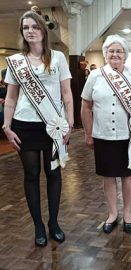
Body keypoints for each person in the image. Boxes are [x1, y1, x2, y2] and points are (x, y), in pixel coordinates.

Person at [3, 10, 73, 247]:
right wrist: (7, 127)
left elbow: (66, 94)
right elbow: (11, 99)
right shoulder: (16, 63)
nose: (30, 31)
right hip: (24, 126)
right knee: (31, 175)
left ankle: (54, 223)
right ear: (22, 33)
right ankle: (38, 226)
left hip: (52, 126)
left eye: (34, 26)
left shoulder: (59, 58)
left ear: (43, 30)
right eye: (25, 28)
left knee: (54, 173)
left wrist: (69, 123)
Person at [81, 35, 131, 234]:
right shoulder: (95, 76)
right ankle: (112, 213)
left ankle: (127, 213)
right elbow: (85, 106)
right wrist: (87, 132)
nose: (115, 54)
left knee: (128, 176)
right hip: (102, 135)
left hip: (129, 136)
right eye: (111, 51)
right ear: (105, 54)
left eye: (119, 51)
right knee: (108, 176)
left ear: (125, 55)